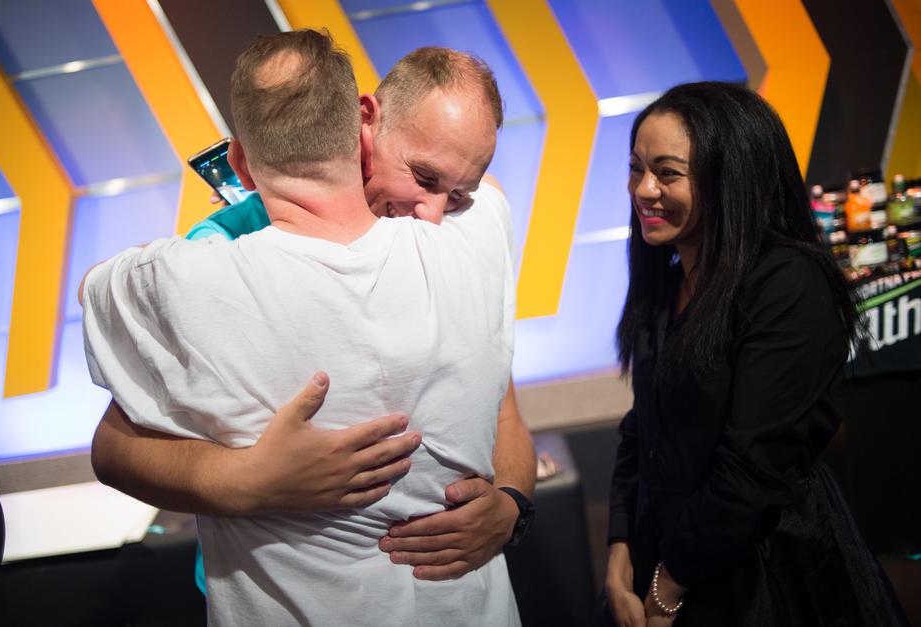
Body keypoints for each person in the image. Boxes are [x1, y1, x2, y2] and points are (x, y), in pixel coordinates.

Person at [81, 30, 520, 625]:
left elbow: (505, 411)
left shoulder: (463, 239)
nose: (435, 214)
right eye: (422, 176)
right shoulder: (213, 256)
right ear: (365, 122)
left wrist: (512, 504)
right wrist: (244, 481)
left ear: (241, 160)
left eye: (458, 194)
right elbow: (114, 449)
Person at [599, 81, 908, 627]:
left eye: (667, 173)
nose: (643, 189)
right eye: (636, 168)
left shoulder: (787, 283)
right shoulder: (666, 281)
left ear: (731, 177)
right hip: (670, 561)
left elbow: (753, 469)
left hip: (767, 576)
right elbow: (645, 427)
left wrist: (668, 586)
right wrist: (620, 555)